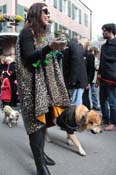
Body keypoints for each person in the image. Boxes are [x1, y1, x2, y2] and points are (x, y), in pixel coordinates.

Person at [15, 2, 70, 175]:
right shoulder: (26, 32)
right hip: (31, 86)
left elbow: (47, 56)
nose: (48, 14)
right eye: (45, 11)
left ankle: (41, 154)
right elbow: (29, 58)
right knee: (35, 124)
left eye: (48, 11)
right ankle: (40, 166)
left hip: (45, 86)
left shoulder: (44, 33)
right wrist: (49, 48)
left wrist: (57, 49)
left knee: (44, 121)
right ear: (37, 13)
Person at [97, 23, 116, 131]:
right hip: (103, 77)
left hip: (113, 79)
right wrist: (98, 76)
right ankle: (105, 119)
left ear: (110, 31)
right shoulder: (104, 46)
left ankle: (113, 123)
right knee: (102, 100)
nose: (103, 33)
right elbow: (102, 62)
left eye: (104, 31)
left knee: (113, 102)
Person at [62, 35, 88, 106]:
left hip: (76, 82)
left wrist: (73, 80)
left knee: (75, 104)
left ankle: (75, 117)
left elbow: (76, 64)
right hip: (76, 81)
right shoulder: (75, 47)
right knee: (75, 102)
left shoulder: (73, 46)